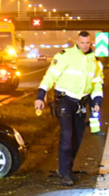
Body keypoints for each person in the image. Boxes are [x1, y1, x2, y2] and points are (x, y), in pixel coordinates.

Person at [34, 30, 104, 186]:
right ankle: (64, 173)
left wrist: (97, 102)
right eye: (82, 43)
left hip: (81, 103)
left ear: (91, 43)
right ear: (77, 42)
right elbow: (50, 76)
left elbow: (97, 84)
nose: (85, 46)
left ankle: (68, 170)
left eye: (88, 43)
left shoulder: (95, 61)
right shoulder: (65, 56)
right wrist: (41, 96)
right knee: (67, 136)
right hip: (65, 100)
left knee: (77, 138)